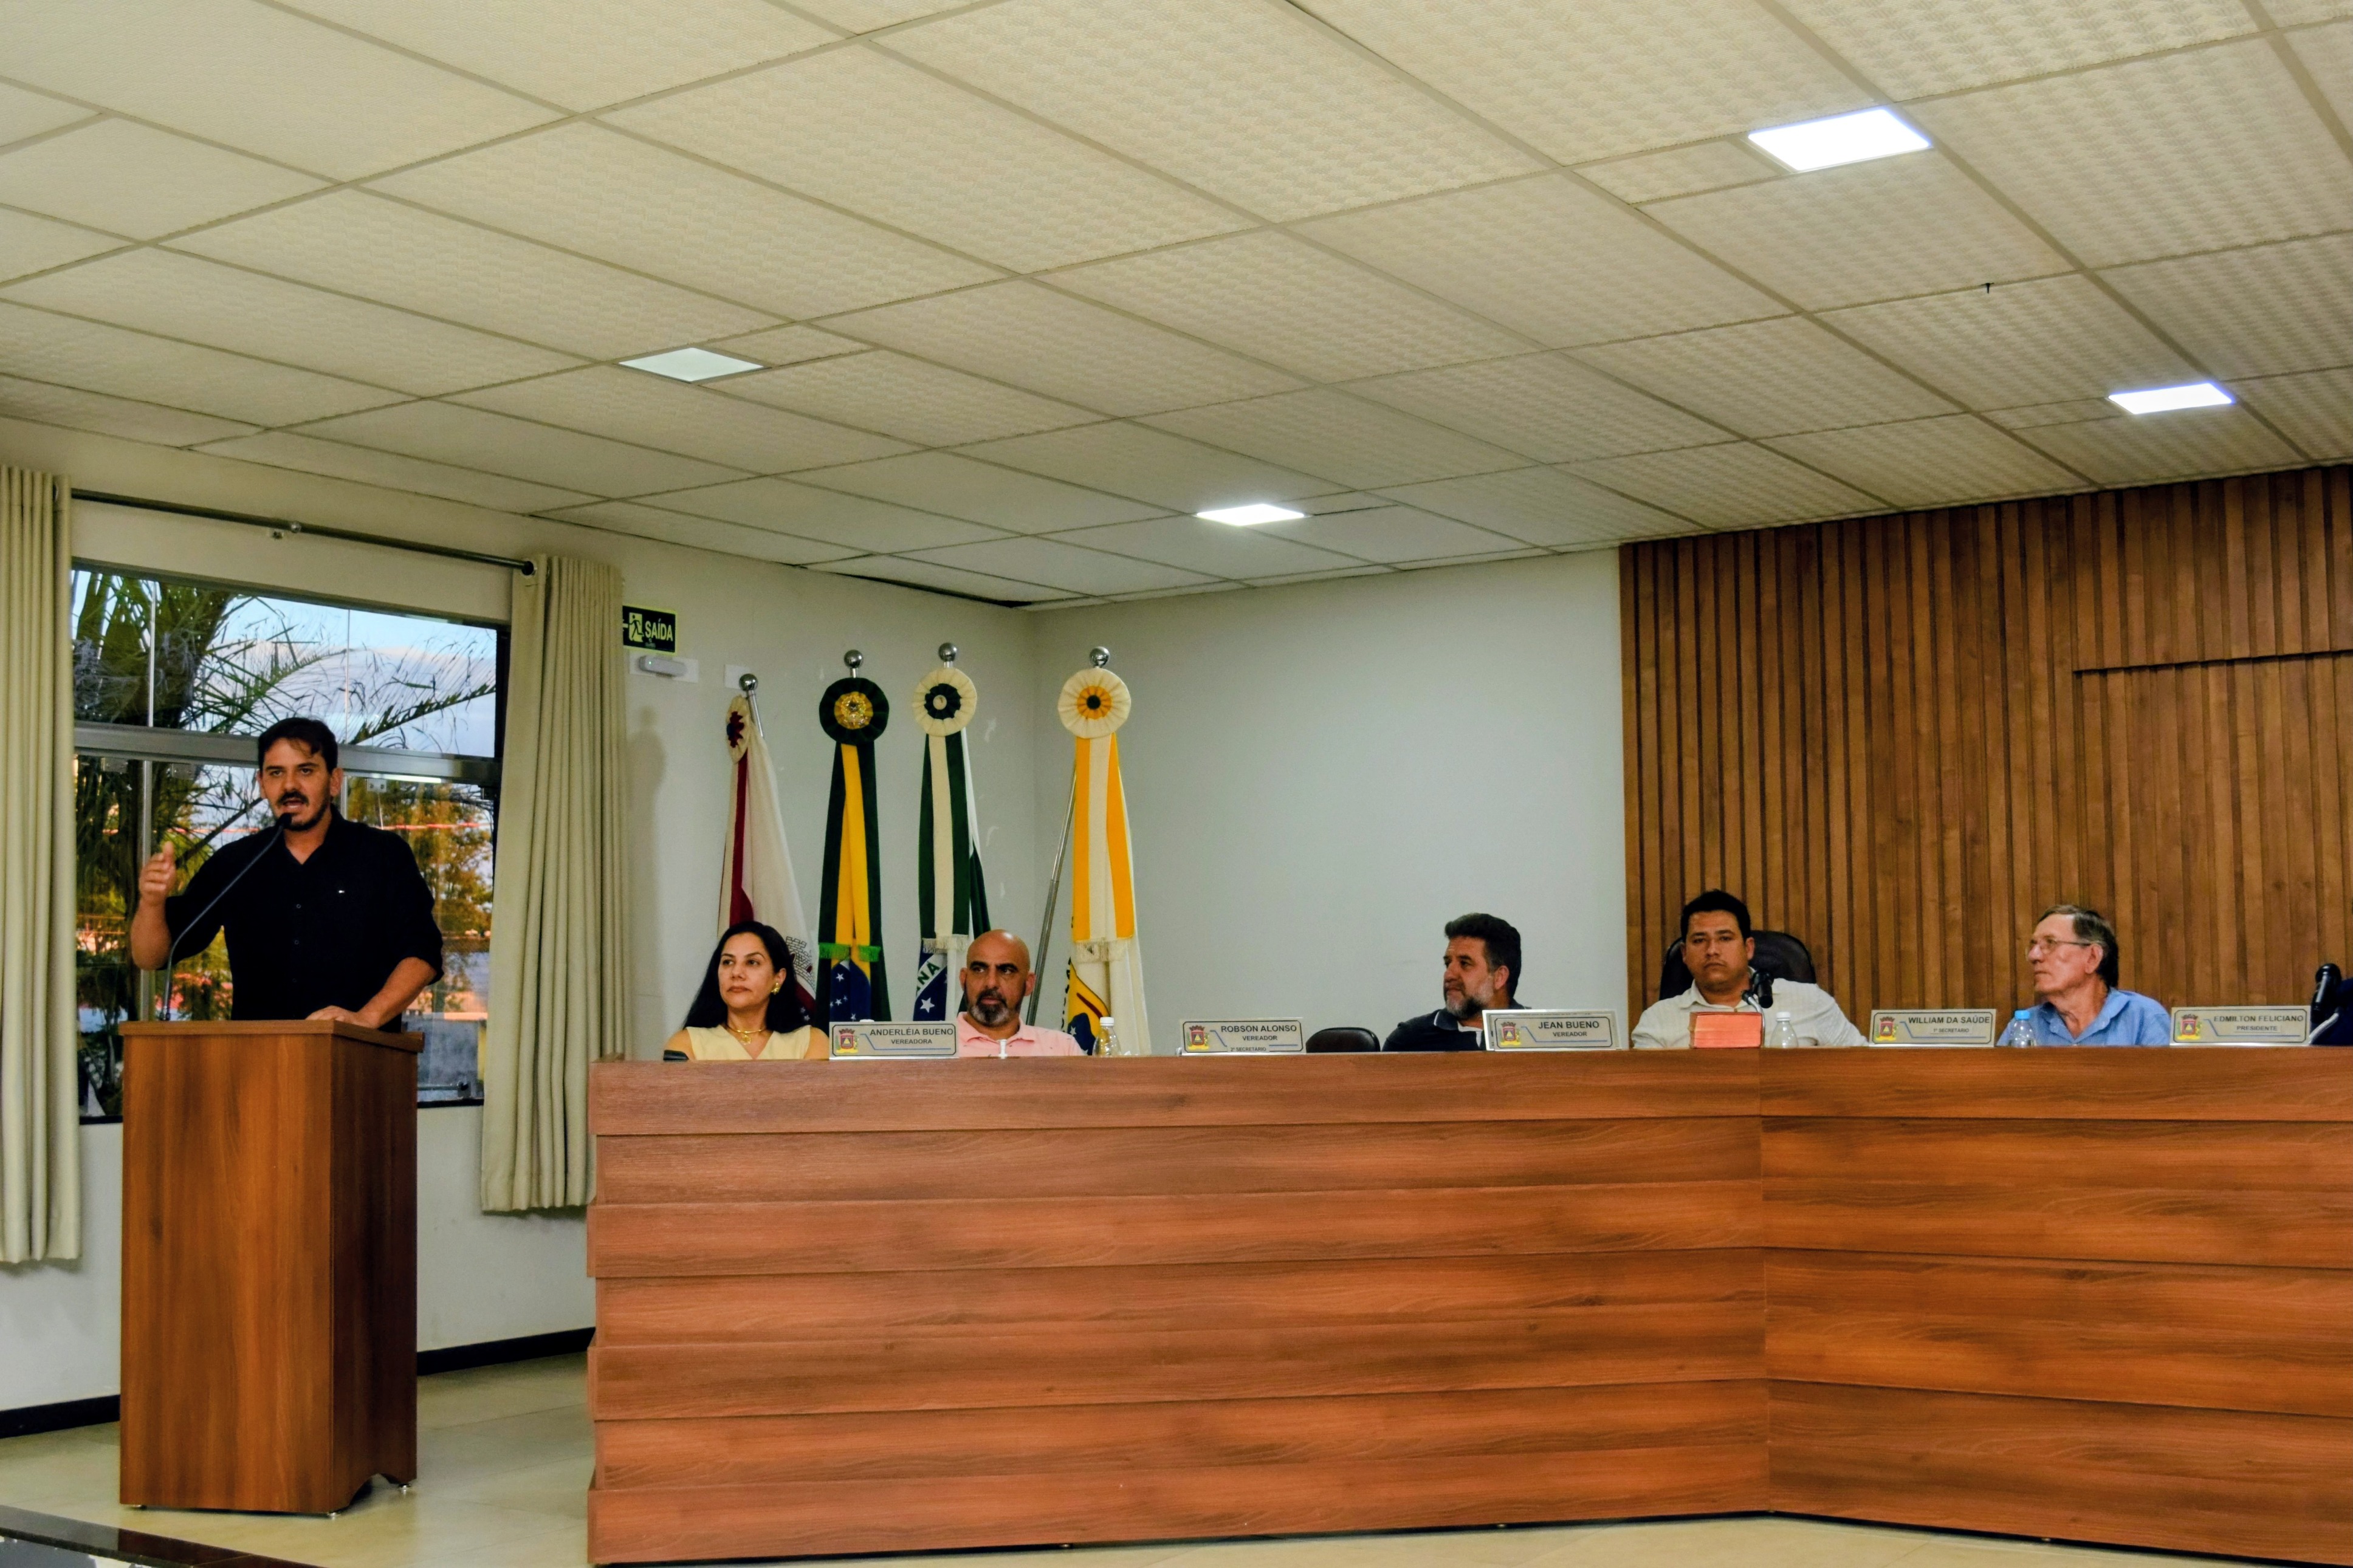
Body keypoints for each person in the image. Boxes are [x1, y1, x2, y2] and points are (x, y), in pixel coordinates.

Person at [130, 717, 442, 1027]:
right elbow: (152, 957)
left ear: (334, 781)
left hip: (358, 1054)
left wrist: (366, 1018)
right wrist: (152, 903)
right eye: (276, 773)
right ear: (262, 784)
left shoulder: (382, 855)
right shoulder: (236, 862)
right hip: (258, 1054)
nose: (290, 786)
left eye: (305, 771)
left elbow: (423, 954)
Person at [1632, 889, 1863, 1049]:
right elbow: (1646, 1095)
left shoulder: (1810, 1002)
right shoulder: (1657, 1022)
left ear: (1748, 948)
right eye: (1700, 940)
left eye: (1725, 938)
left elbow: (1863, 1066)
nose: (1712, 950)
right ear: (1684, 953)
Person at [664, 921, 823, 1060]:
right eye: (728, 962)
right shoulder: (687, 1044)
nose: (736, 973)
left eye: (752, 962)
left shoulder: (810, 1042)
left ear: (779, 977)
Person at [2019, 903, 2169, 1045]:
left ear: (2092, 958)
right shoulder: (2025, 1025)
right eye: (2033, 946)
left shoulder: (2144, 1019)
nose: (2034, 956)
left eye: (2050, 943)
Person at [1385, 912, 1525, 1051]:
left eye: (1465, 963)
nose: (1449, 975)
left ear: (1499, 977)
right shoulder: (1408, 1042)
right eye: (1448, 964)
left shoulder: (1535, 1034)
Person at [957, 930, 1085, 1056]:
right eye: (979, 970)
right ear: (964, 979)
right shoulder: (944, 1045)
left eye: (1006, 971)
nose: (991, 983)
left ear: (1029, 984)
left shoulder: (1063, 1048)